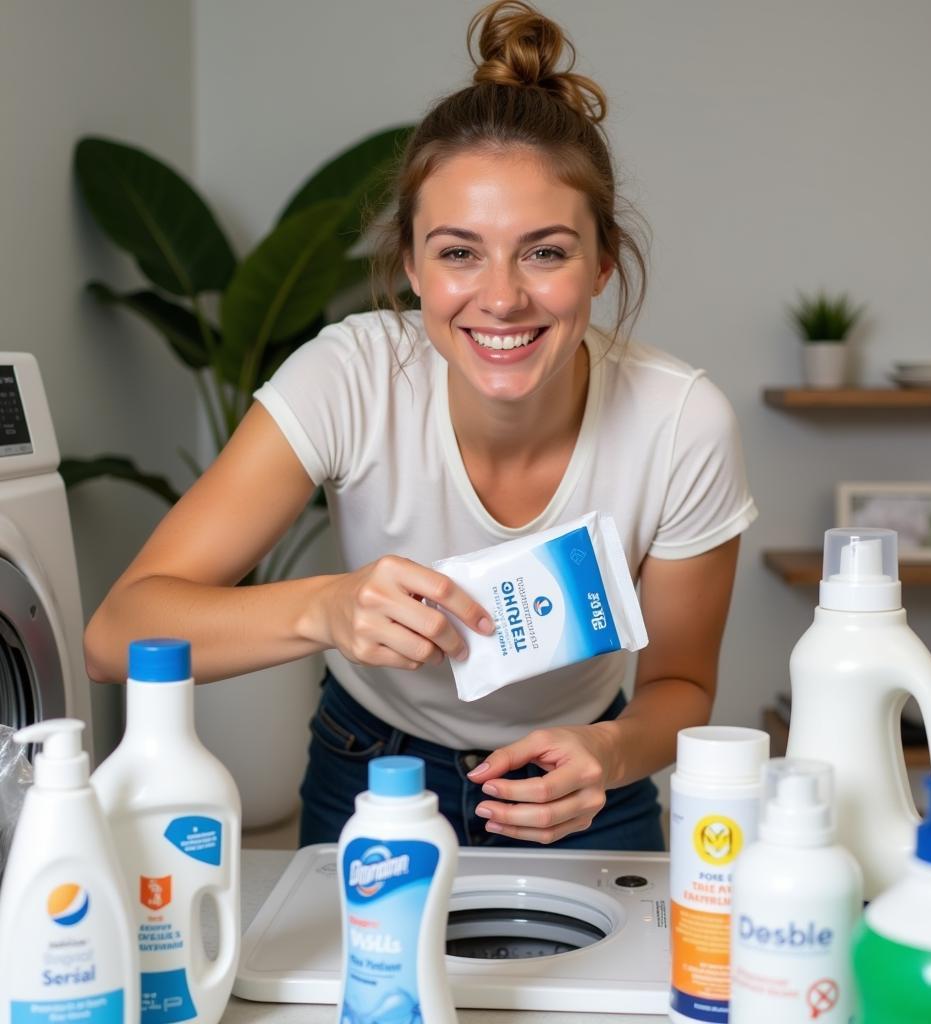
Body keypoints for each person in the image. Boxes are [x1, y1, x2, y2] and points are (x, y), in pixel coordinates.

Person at [84, 0, 757, 851]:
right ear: (411, 264)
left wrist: (614, 750)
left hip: (585, 789)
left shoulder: (682, 423)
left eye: (545, 251)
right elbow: (117, 634)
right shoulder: (351, 375)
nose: (502, 296)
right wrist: (326, 607)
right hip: (370, 771)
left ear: (602, 265)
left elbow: (683, 684)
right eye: (458, 251)